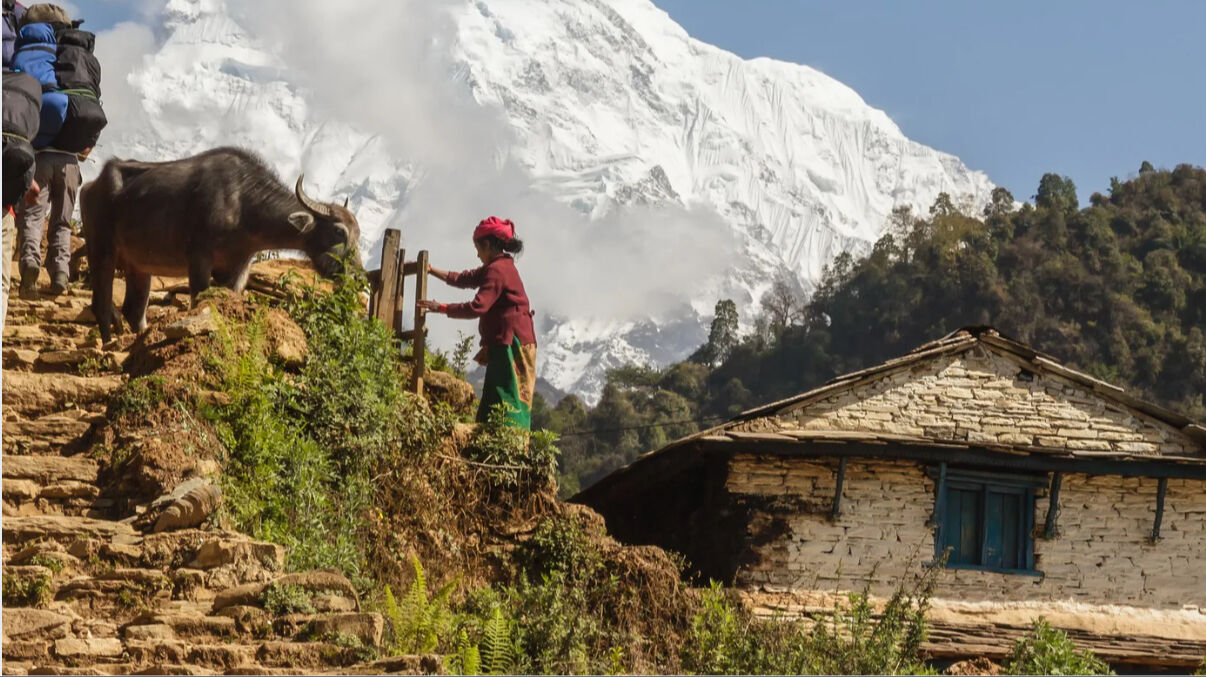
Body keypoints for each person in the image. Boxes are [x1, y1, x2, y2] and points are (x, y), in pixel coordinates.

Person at [420, 217, 538, 429]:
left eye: (478, 248)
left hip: (512, 343)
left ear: (488, 245)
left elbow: (478, 306)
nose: (477, 254)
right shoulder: (498, 266)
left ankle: (510, 442)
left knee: (508, 396)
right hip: (507, 341)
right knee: (497, 394)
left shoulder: (497, 270)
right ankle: (495, 440)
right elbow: (464, 278)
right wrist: (430, 269)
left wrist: (443, 308)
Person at [16, 146, 80, 298]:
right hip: (69, 163)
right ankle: (61, 270)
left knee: (33, 217)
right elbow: (85, 150)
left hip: (41, 159)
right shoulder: (75, 120)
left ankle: (30, 263)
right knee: (62, 222)